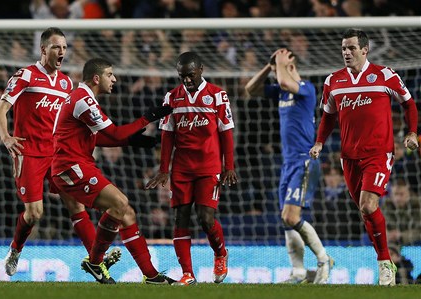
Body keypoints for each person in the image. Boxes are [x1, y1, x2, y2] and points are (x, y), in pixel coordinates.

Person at [0, 27, 121, 277]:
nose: (62, 51)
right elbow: (0, 109)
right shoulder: (26, 75)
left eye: (64, 47)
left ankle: (98, 260)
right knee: (34, 213)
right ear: (43, 50)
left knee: (76, 204)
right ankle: (15, 250)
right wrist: (6, 138)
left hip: (57, 154)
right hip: (28, 152)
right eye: (56, 47)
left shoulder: (66, 83)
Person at [309, 28, 419, 286]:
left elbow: (409, 103)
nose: (346, 53)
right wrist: (319, 142)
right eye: (343, 48)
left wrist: (412, 132)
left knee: (369, 205)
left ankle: (384, 263)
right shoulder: (332, 81)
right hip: (348, 156)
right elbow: (328, 116)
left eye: (351, 48)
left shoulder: (385, 75)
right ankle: (385, 260)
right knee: (365, 210)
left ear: (364, 50)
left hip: (379, 153)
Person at [51, 57, 174, 284]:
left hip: (78, 163)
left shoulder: (84, 98)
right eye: (110, 74)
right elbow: (115, 133)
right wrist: (148, 117)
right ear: (97, 78)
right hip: (70, 166)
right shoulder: (82, 99)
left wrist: (131, 143)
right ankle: (95, 261)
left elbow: (99, 138)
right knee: (119, 203)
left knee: (127, 214)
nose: (114, 79)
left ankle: (151, 275)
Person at [144, 52, 236, 286]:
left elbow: (226, 132)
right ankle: (188, 274)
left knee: (206, 218)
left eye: (191, 75)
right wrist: (164, 169)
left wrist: (229, 166)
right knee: (180, 218)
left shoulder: (217, 95)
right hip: (182, 169)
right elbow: (167, 135)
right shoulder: (171, 97)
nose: (186, 80)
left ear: (201, 70)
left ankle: (220, 254)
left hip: (209, 167)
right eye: (182, 76)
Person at [245, 48, 333, 284]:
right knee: (286, 220)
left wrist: (281, 63)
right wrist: (268, 66)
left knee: (291, 216)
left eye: (282, 67)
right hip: (288, 164)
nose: (277, 75)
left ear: (292, 66)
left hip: (305, 161)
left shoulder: (307, 90)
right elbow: (249, 89)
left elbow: (285, 79)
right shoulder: (282, 93)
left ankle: (324, 259)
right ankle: (298, 272)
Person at [383, 178, 421, 245]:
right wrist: (387, 234)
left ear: (408, 193)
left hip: (415, 244)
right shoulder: (386, 206)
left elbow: (419, 231)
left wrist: (401, 236)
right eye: (395, 194)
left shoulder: (418, 205)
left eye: (401, 194)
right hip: (391, 243)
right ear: (391, 195)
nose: (398, 198)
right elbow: (381, 226)